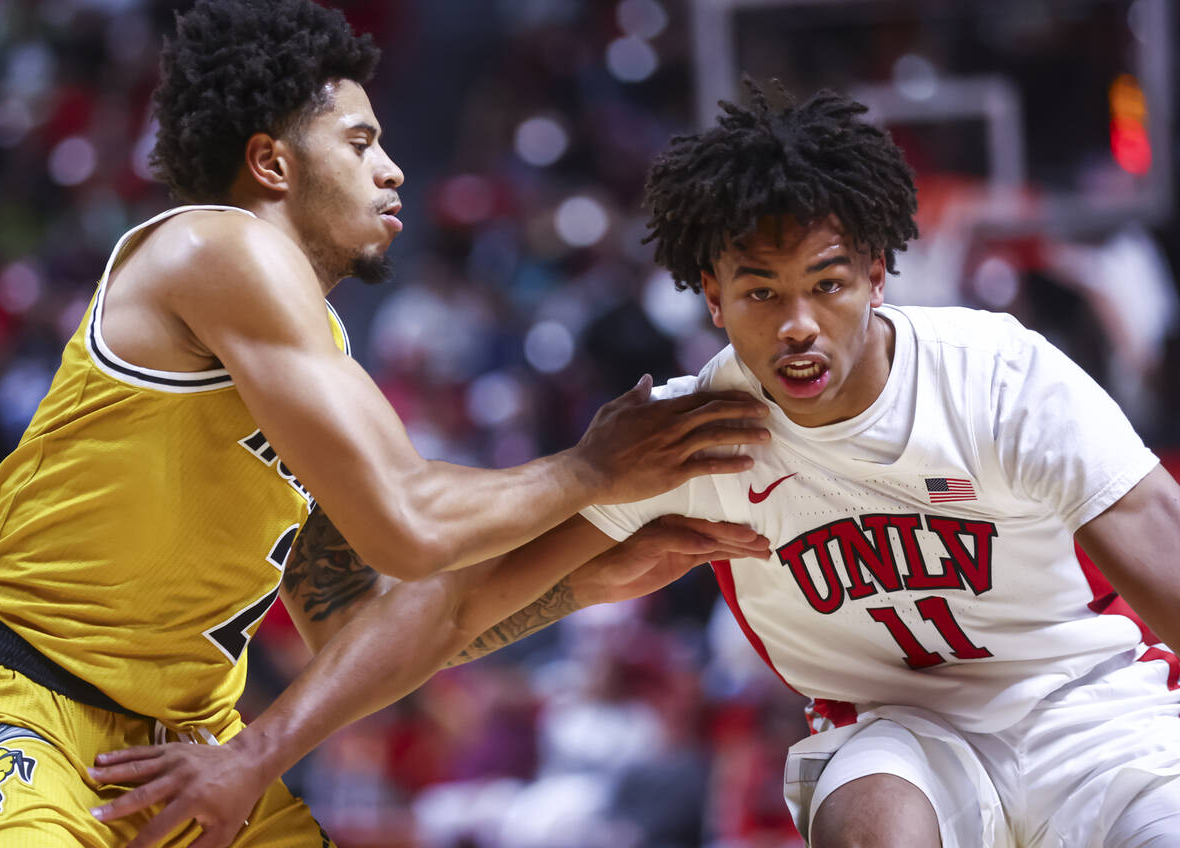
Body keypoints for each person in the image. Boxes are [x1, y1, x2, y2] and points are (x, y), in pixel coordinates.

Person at [94, 79, 1180, 847]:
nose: (797, 325)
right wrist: (254, 752)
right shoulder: (688, 433)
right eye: (760, 292)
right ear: (712, 298)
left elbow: (1164, 556)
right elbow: (449, 600)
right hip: (896, 734)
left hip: (1079, 703)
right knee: (873, 821)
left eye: (828, 284)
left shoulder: (997, 375)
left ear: (880, 274)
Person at [0, 0, 778, 843]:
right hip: (24, 707)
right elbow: (412, 524)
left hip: (182, 748)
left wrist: (586, 571)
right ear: (271, 164)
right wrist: (593, 471)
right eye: (360, 143)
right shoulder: (217, 247)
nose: (393, 170)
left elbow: (376, 625)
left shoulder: (304, 352)